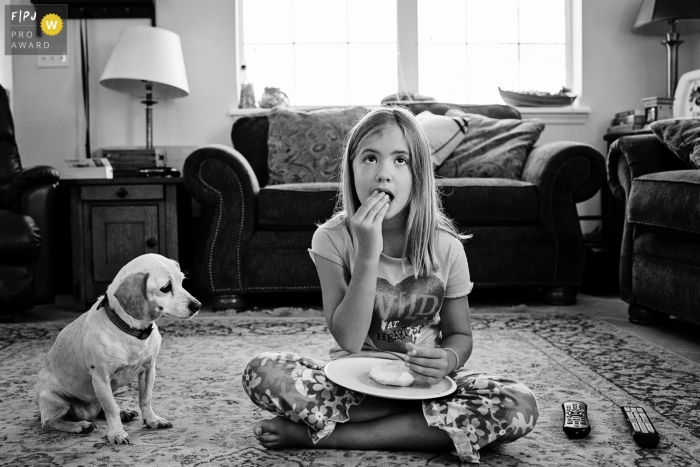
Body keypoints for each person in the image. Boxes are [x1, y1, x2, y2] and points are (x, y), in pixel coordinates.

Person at [242, 107, 538, 463]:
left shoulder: (446, 246)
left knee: (517, 403)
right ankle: (417, 429)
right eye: (370, 158)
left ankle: (328, 436)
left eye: (401, 160)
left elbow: (461, 336)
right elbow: (349, 340)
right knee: (261, 371)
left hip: (426, 387)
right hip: (352, 384)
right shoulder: (331, 239)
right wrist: (368, 255)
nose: (384, 174)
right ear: (350, 170)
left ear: (419, 174)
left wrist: (447, 360)